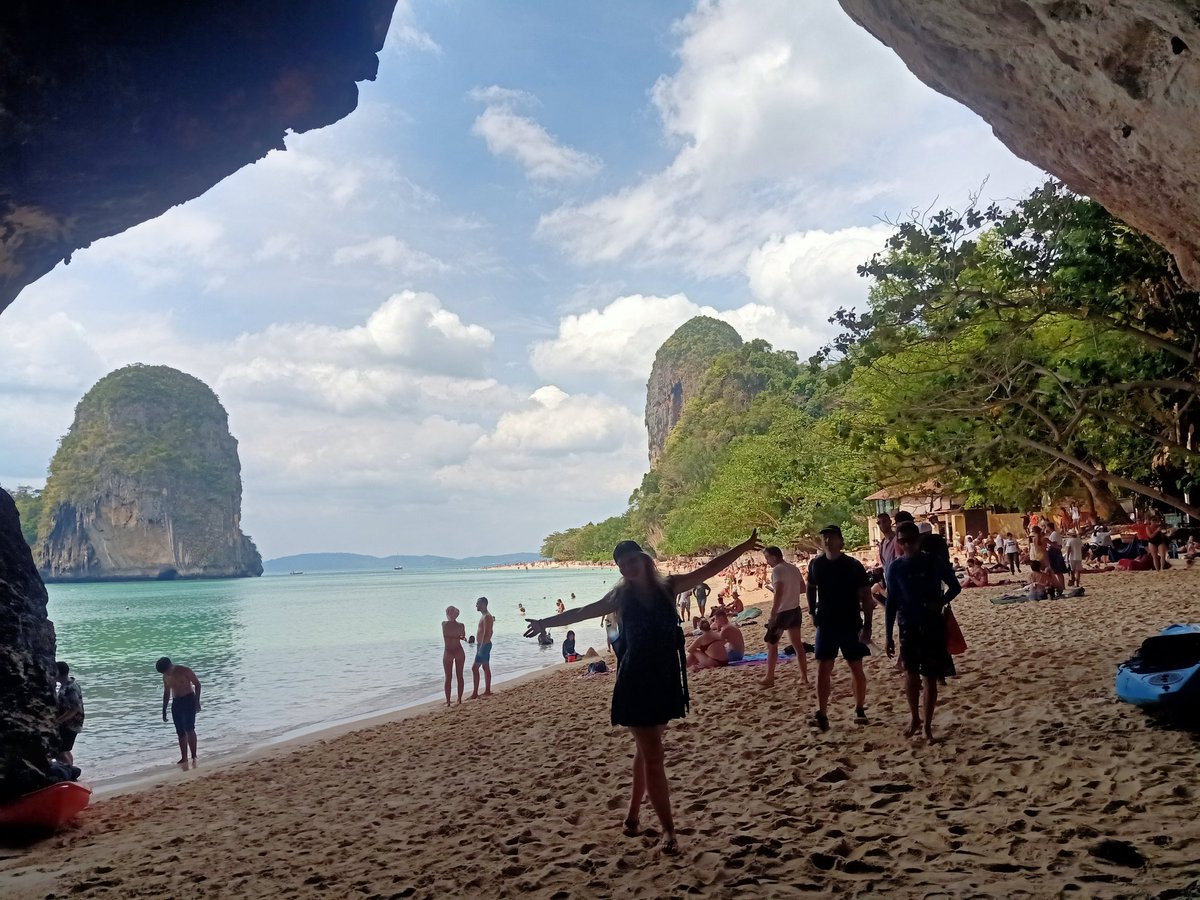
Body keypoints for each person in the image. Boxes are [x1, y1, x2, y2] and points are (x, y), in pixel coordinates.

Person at [523, 530, 762, 855]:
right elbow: (581, 612)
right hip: (634, 681)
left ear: (643, 560)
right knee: (653, 756)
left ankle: (633, 818)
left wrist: (745, 546)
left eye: (632, 561)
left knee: (646, 751)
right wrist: (545, 622)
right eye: (622, 565)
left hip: (665, 679)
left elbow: (709, 569)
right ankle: (668, 832)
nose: (628, 568)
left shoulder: (669, 587)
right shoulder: (619, 598)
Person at [886, 521, 960, 740]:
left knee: (929, 676)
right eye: (903, 541)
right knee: (910, 675)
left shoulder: (933, 561)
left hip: (931, 624)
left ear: (918, 540)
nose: (907, 544)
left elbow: (955, 586)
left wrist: (941, 601)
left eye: (911, 540)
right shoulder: (896, 567)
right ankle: (915, 717)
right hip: (907, 625)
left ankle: (927, 724)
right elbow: (891, 602)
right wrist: (888, 635)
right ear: (898, 543)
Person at [806, 525, 870, 729]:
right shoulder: (816, 564)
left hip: (850, 621)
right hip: (826, 623)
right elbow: (810, 588)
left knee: (856, 667)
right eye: (824, 537)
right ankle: (822, 712)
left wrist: (867, 624)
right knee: (823, 668)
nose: (827, 540)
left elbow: (866, 596)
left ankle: (859, 708)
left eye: (831, 537)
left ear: (841, 541)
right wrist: (812, 612)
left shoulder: (853, 565)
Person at [760, 545, 808, 689]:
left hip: (783, 612)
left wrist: (773, 614)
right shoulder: (793, 568)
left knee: (772, 644)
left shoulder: (777, 570)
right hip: (795, 609)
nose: (767, 561)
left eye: (767, 558)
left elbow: (779, 593)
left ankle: (769, 677)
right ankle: (804, 677)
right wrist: (791, 591)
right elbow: (803, 588)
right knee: (797, 645)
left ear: (774, 556)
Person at [156, 657, 201, 766]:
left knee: (189, 728)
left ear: (171, 666)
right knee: (180, 732)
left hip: (189, 699)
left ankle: (194, 756)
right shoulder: (165, 676)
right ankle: (184, 757)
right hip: (176, 702)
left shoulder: (184, 670)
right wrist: (164, 709)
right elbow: (166, 693)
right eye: (164, 672)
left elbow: (197, 684)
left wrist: (197, 702)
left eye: (167, 671)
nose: (166, 673)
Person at [54, 661, 85, 766]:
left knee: (60, 751)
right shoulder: (66, 685)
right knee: (65, 749)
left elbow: (74, 709)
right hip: (69, 724)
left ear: (58, 672)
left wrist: (58, 721)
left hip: (71, 724)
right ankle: (70, 770)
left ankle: (68, 773)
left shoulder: (71, 688)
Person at [442, 606, 467, 706]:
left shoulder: (444, 624)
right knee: (459, 676)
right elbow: (462, 636)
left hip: (448, 650)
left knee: (448, 677)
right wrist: (459, 637)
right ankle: (459, 699)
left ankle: (448, 702)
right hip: (458, 649)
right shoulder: (461, 625)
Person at [471, 597, 495, 699]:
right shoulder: (484, 616)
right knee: (485, 667)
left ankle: (475, 693)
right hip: (482, 645)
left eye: (477, 603)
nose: (476, 605)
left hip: (484, 645)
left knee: (474, 668)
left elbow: (488, 633)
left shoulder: (487, 617)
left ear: (483, 604)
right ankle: (487, 690)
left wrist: (482, 647)